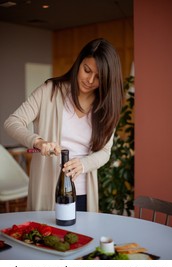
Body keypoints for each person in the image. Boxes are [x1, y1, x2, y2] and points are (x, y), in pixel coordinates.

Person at [4, 38, 124, 212]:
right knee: (43, 237)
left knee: (81, 238)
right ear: (79, 63)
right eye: (87, 70)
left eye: (98, 77)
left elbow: (105, 152)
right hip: (47, 189)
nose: (90, 80)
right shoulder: (50, 91)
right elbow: (12, 122)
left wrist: (84, 164)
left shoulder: (107, 108)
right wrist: (38, 142)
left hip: (82, 192)